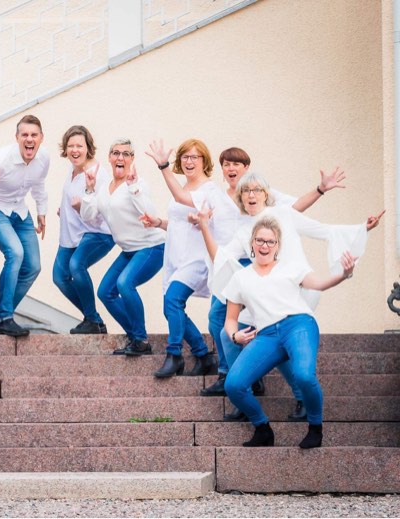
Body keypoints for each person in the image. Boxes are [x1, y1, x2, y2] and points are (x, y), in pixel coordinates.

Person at [196, 172, 383, 420]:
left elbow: (322, 230)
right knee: (228, 335)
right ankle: (245, 393)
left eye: (257, 190)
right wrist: (204, 227)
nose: (251, 195)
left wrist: (362, 228)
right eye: (246, 191)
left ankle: (302, 398)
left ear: (266, 194)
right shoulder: (244, 231)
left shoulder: (283, 214)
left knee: (277, 336)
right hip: (267, 297)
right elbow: (221, 258)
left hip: (299, 290)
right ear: (240, 197)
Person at [223, 216, 357, 448]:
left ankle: (315, 428)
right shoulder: (240, 277)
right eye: (260, 241)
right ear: (252, 243)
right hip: (266, 335)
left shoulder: (290, 266)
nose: (265, 246)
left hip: (298, 325)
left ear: (277, 246)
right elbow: (230, 320)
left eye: (270, 242)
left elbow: (320, 283)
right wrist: (235, 336)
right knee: (233, 385)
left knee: (304, 375)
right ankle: (262, 429)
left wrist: (343, 274)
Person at [143, 138, 221, 378]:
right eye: (185, 157)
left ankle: (174, 354)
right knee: (170, 308)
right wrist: (158, 223)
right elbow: (178, 221)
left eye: (194, 157)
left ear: (204, 161)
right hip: (174, 258)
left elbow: (180, 200)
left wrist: (163, 166)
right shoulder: (183, 189)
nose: (189, 161)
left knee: (174, 301)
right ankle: (202, 355)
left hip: (196, 259)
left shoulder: (209, 191)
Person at [80, 139, 165, 354]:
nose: (120, 157)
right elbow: (88, 216)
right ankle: (135, 337)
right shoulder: (103, 189)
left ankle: (140, 339)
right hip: (128, 250)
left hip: (151, 246)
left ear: (132, 159)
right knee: (105, 292)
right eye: (116, 153)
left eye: (126, 154)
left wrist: (133, 186)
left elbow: (149, 213)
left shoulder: (138, 183)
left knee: (125, 283)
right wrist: (89, 190)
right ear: (109, 158)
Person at [0, 114, 49, 336]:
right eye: (24, 135)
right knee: (15, 253)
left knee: (33, 266)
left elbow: (39, 184)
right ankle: (5, 316)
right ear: (16, 138)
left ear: (41, 138)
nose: (29, 139)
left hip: (19, 209)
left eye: (34, 135)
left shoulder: (43, 158)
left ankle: (1, 318)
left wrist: (41, 212)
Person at [53, 125, 114, 334]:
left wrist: (82, 208)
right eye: (70, 146)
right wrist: (66, 210)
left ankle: (91, 319)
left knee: (76, 265)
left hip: (99, 233)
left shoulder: (98, 174)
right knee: (59, 276)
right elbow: (73, 196)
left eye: (79, 145)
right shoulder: (73, 168)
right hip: (72, 234)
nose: (75, 150)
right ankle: (94, 319)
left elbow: (102, 212)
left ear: (88, 147)